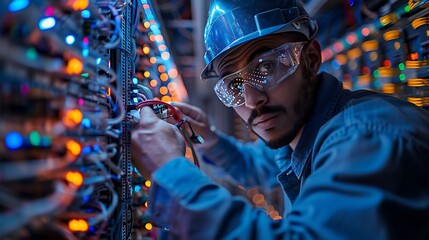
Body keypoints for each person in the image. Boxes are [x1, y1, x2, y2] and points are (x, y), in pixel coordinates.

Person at [131, 0, 429, 239]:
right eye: (234, 85)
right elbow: (257, 166)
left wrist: (169, 171)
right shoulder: (304, 132)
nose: (251, 100)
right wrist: (206, 138)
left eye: (267, 66)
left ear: (311, 59)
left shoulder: (367, 138)